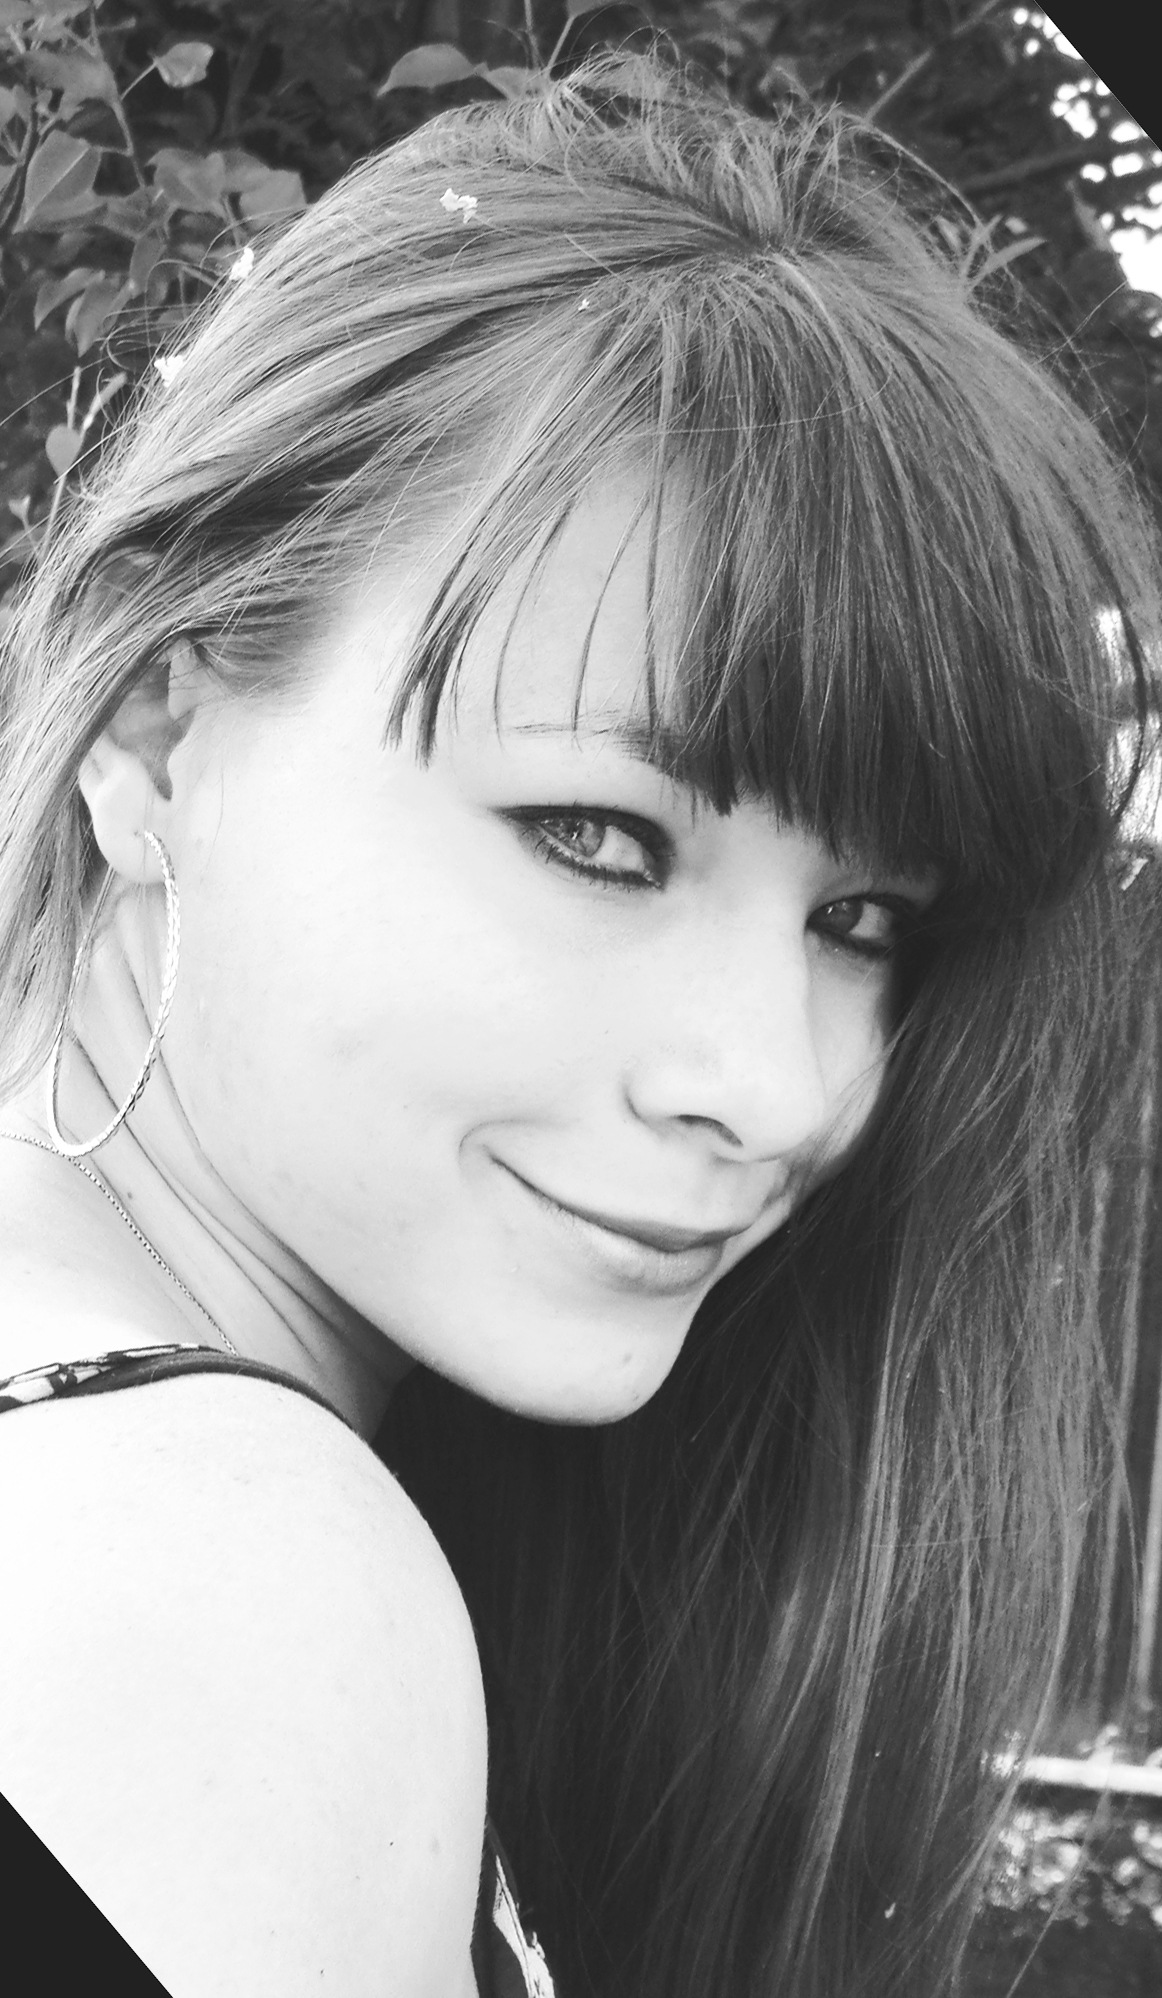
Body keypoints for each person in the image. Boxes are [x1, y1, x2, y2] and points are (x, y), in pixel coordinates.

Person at [0, 49, 1155, 1998]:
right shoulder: (232, 1578)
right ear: (155, 731)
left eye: (863, 920)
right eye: (598, 839)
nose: (773, 1088)